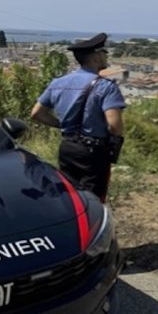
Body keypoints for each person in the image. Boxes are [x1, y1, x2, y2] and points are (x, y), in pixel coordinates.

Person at [31, 33, 126, 202]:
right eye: (104, 53)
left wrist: (62, 125)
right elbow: (114, 125)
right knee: (93, 199)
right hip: (94, 151)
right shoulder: (106, 87)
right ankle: (92, 226)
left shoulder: (58, 83)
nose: (106, 57)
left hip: (68, 147)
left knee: (70, 194)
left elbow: (37, 114)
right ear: (96, 57)